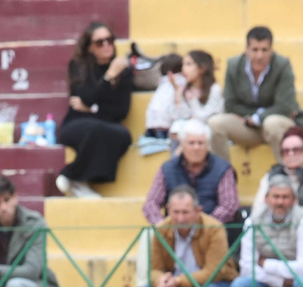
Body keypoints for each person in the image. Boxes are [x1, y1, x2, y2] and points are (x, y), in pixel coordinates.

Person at [208, 26, 303, 163]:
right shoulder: (234, 65)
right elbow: (230, 104)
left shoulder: (283, 65)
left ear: (271, 50)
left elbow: (285, 106)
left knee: (272, 123)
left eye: (264, 50)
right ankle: (223, 178)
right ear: (247, 50)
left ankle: (287, 177)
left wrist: (257, 118)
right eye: (255, 50)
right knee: (215, 123)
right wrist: (251, 119)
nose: (259, 56)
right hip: (248, 127)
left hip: (277, 124)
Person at [56, 21, 133, 199]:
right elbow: (83, 98)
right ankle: (79, 182)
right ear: (90, 47)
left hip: (106, 125)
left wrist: (92, 110)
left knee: (124, 136)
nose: (106, 45)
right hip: (75, 124)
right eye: (99, 42)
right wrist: (108, 77)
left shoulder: (125, 71)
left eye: (109, 40)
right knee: (96, 129)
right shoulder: (78, 66)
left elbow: (121, 111)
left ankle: (70, 174)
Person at [140, 119, 239, 224]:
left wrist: (204, 227)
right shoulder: (167, 168)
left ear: (208, 146)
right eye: (191, 143)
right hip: (174, 232)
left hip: (211, 233)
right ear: (182, 145)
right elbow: (151, 203)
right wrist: (163, 226)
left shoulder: (223, 168)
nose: (196, 147)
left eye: (201, 143)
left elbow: (229, 205)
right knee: (147, 237)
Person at [253, 125, 303, 223]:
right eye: (286, 151)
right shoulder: (271, 175)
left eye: (296, 150)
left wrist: (286, 217)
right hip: (274, 229)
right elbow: (258, 207)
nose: (291, 154)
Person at [141, 50, 222, 145]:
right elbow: (180, 116)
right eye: (183, 65)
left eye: (188, 64)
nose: (183, 69)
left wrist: (193, 102)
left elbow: (207, 117)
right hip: (190, 127)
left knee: (189, 130)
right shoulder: (186, 90)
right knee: (176, 127)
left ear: (202, 69)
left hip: (208, 129)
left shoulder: (214, 89)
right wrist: (178, 96)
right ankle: (178, 158)